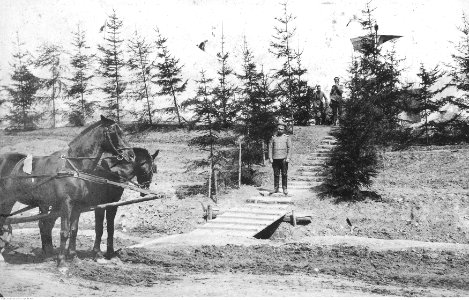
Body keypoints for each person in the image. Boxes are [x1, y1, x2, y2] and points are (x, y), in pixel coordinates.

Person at [268, 120, 292, 195]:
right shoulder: (273, 138)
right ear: (277, 129)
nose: (280, 130)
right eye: (278, 129)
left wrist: (288, 157)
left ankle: (284, 188)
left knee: (284, 174)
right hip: (275, 159)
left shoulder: (286, 138)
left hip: (284, 159)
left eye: (281, 129)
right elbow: (270, 148)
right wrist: (270, 158)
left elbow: (289, 148)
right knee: (276, 174)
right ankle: (276, 188)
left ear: (284, 130)